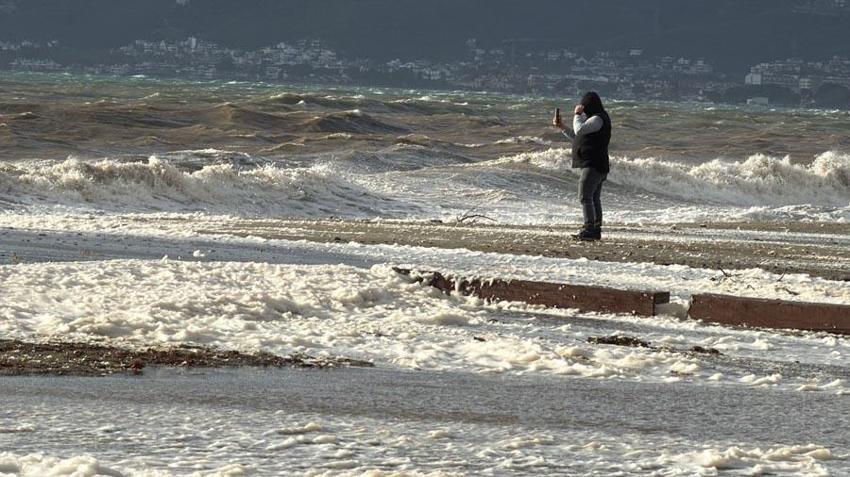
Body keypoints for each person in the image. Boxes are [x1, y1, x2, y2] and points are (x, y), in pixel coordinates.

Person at [552, 91, 611, 241]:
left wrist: (577, 115)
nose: (582, 109)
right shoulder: (594, 120)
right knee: (594, 197)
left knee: (585, 196)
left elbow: (579, 130)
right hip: (597, 164)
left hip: (593, 164)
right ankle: (595, 229)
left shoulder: (598, 119)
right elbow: (578, 136)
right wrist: (562, 127)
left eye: (584, 106)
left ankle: (589, 228)